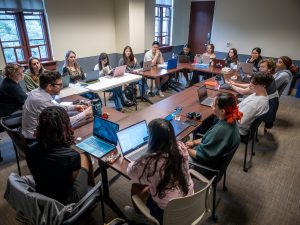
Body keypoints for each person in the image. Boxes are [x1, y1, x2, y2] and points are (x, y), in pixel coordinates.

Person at [126, 118, 194, 224]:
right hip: (189, 199)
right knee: (150, 184)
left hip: (167, 211)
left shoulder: (149, 162)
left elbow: (130, 172)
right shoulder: (181, 147)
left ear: (153, 139)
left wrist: (144, 156)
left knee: (136, 187)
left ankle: (139, 216)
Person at [26, 106, 94, 204]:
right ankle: (91, 191)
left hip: (42, 193)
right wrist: (81, 156)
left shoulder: (30, 149)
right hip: (66, 201)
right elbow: (74, 181)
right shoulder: (71, 157)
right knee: (84, 156)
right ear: (65, 127)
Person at [22, 70, 92, 140]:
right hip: (36, 137)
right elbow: (62, 123)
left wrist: (74, 107)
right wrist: (84, 114)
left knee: (73, 115)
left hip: (31, 131)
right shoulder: (42, 101)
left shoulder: (36, 92)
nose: (62, 87)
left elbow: (54, 107)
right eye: (60, 85)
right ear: (49, 86)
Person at [186, 93, 242, 166]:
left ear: (222, 111)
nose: (211, 106)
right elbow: (209, 139)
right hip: (212, 158)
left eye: (214, 105)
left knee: (173, 153)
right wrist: (194, 142)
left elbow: (201, 155)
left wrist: (185, 149)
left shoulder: (221, 130)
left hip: (200, 165)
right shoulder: (231, 120)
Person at [229, 59, 279, 131]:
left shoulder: (254, 103)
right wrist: (235, 84)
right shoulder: (261, 89)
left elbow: (241, 121)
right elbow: (251, 85)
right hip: (243, 114)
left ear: (270, 69)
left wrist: (231, 85)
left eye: (263, 67)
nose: (260, 68)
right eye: (259, 66)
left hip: (237, 127)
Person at [238, 72, 273, 138]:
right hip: (242, 119)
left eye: (254, 83)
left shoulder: (254, 104)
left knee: (213, 116)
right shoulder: (261, 94)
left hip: (238, 130)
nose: (250, 85)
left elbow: (240, 122)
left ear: (264, 85)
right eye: (250, 82)